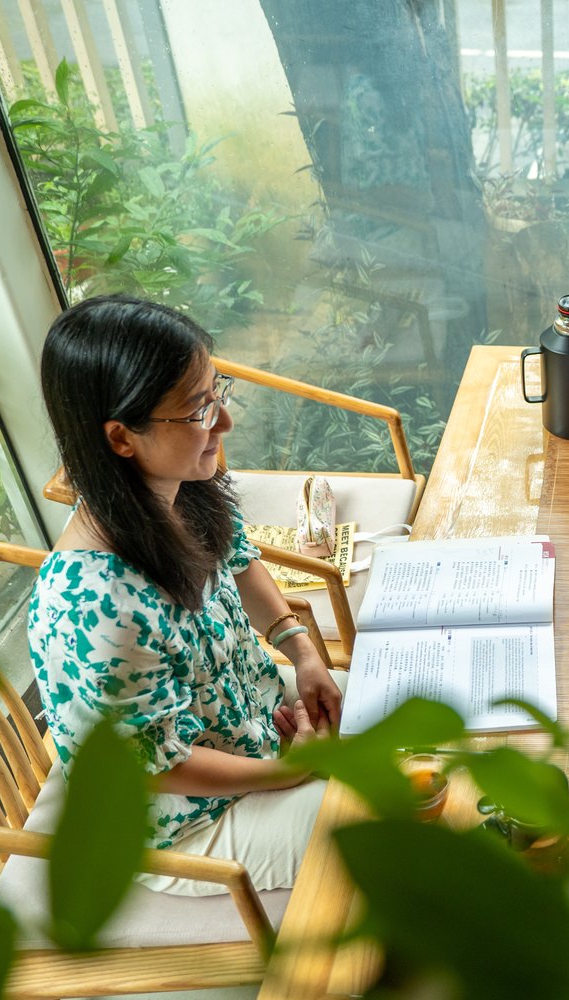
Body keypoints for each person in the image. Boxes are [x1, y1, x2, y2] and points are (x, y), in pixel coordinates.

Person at [29, 294, 344, 894]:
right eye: (199, 410)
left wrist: (302, 651)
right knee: (391, 821)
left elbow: (242, 560)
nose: (224, 422)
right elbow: (150, 769)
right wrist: (283, 773)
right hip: (192, 823)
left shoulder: (177, 489)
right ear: (122, 437)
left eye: (215, 393)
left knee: (415, 717)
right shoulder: (96, 608)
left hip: (261, 721)